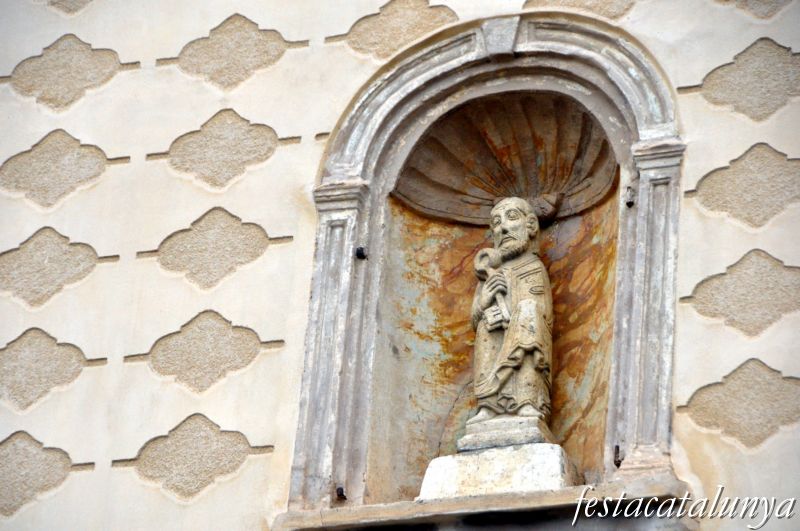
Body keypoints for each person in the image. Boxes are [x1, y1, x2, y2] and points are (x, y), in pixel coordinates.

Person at [467, 197, 553, 425]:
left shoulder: (534, 267)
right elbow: (474, 318)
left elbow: (543, 311)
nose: (503, 227)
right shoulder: (490, 273)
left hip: (525, 333)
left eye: (511, 218)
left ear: (531, 225)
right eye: (496, 223)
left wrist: (517, 317)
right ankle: (488, 404)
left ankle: (527, 400)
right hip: (497, 333)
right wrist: (485, 301)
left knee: (528, 314)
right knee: (485, 327)